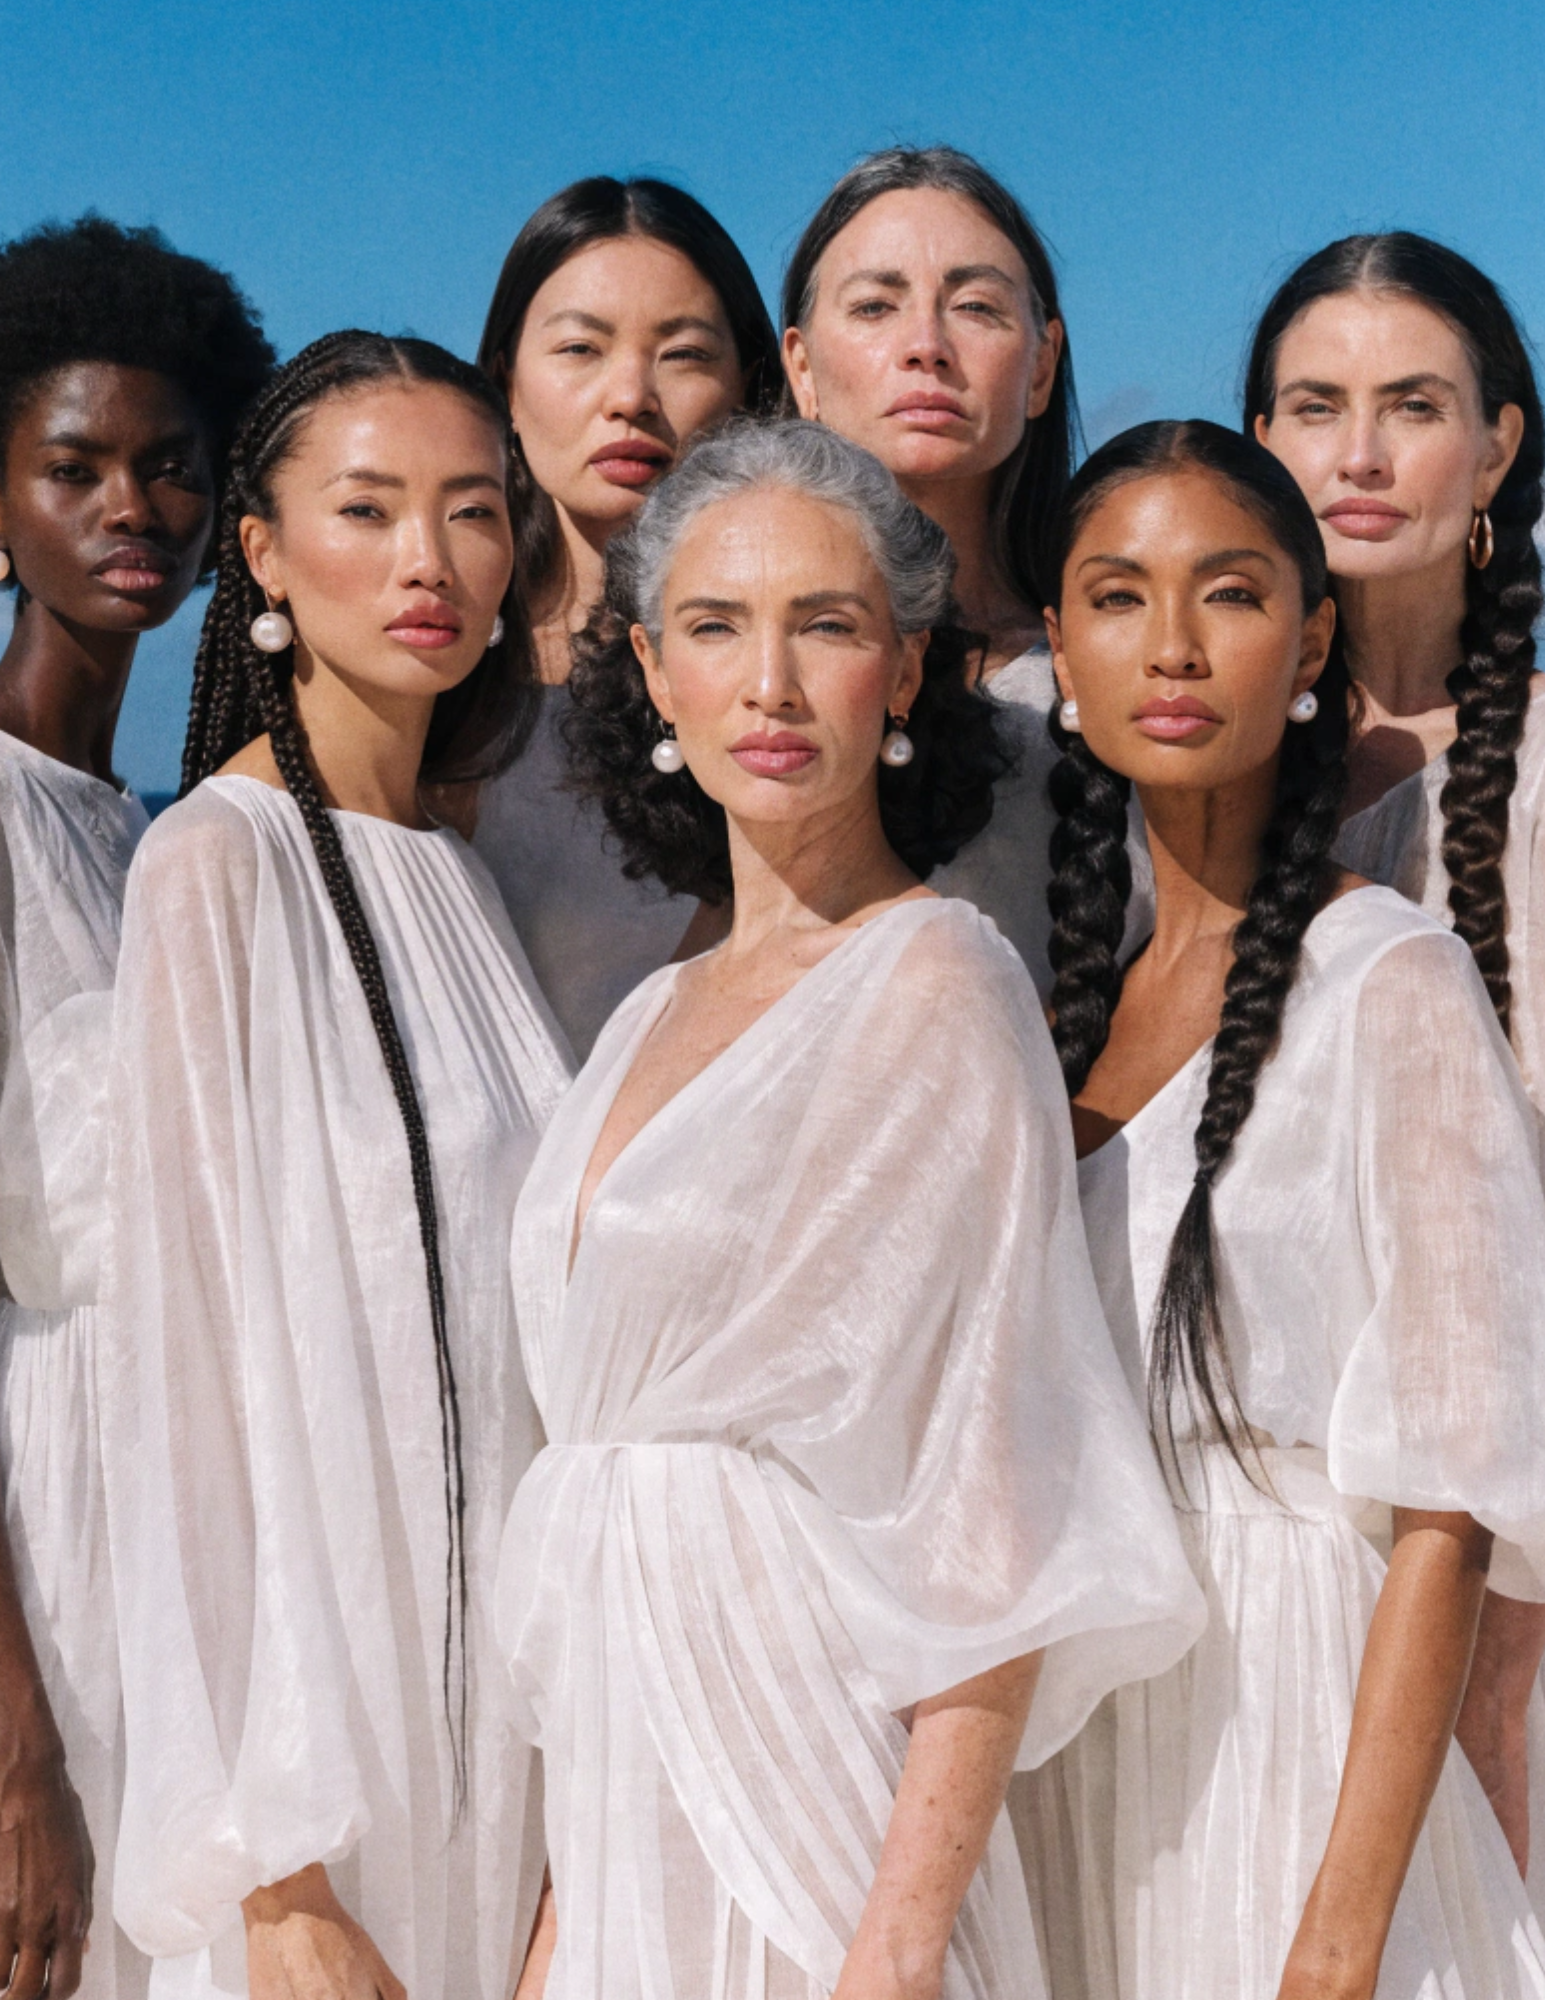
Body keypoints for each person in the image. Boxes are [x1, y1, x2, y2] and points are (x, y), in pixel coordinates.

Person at [496, 419, 1204, 1998]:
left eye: (824, 626)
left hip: (813, 1788)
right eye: (716, 626)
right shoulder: (644, 1014)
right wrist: (559, 1918)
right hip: (626, 1795)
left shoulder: (936, 983)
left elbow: (992, 1501)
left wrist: (893, 1948)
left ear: (903, 670)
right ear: (651, 670)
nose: (769, 683)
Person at [1020, 419, 1545, 1999]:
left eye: (1231, 593)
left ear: (1311, 643)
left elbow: (1451, 1506)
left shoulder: (1393, 979)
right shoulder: (1060, 1020)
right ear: (1056, 647)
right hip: (1083, 1761)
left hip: (1293, 1735)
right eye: (1118, 596)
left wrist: (1336, 1939)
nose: (1173, 646)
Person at [97, 332, 571, 2000]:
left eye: (471, 511)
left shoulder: (461, 881)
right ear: (265, 552)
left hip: (501, 1716)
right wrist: (275, 1876)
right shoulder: (213, 868)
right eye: (367, 510)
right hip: (327, 1747)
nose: (427, 560)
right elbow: (181, 1388)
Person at [1246, 233, 1545, 1884]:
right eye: (1315, 407)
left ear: (1498, 448)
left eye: (1412, 407)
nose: (1357, 455)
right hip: (1256, 1542)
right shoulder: (1174, 763)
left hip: (1502, 1541)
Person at [0, 214, 273, 2000]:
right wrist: (14, 1750)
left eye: (172, 466)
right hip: (43, 1529)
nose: (132, 508)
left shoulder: (156, 832)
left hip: (183, 1510)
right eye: (74, 465)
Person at [780, 144, 1149, 992]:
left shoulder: (1130, 661)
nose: (925, 346)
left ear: (1041, 365)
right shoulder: (728, 667)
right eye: (874, 306)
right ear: (801, 367)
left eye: (975, 306)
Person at [465, 176, 780, 1056]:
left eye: (682, 354)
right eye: (580, 348)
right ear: (507, 383)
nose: (631, 396)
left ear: (746, 388)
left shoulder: (782, 677)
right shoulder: (431, 660)